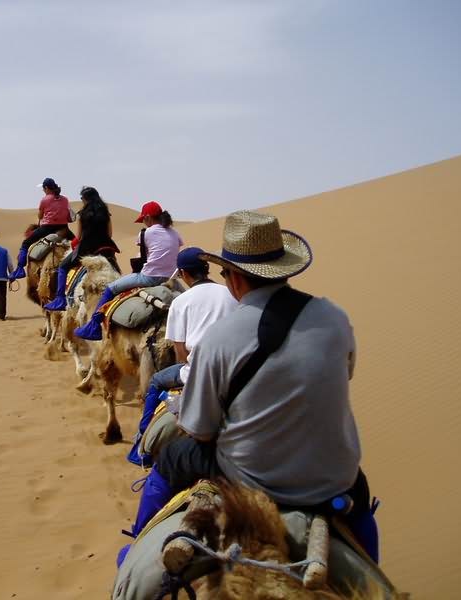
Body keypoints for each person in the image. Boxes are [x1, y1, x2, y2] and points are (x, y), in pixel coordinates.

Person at [123, 210, 379, 564]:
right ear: (285, 269)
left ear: (234, 278)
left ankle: (136, 548)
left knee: (169, 458)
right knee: (360, 495)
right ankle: (372, 567)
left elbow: (201, 431)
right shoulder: (335, 317)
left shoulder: (218, 340)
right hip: (333, 480)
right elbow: (342, 376)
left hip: (252, 478)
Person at [126, 246, 237, 466]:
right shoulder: (231, 294)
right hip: (234, 369)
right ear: (206, 269)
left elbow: (180, 352)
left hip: (198, 372)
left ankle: (142, 441)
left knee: (156, 381)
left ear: (184, 273)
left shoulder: (180, 302)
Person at [74, 201, 182, 340]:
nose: (144, 223)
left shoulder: (146, 233)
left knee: (110, 289)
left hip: (149, 278)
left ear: (148, 217)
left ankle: (93, 327)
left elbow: (143, 256)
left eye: (143, 220)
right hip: (171, 278)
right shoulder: (174, 233)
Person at [43, 186, 120, 311]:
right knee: (114, 268)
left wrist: (73, 244)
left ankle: (60, 299)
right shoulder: (105, 213)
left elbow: (78, 237)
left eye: (82, 198)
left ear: (85, 199)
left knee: (62, 267)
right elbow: (110, 234)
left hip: (87, 249)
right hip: (105, 248)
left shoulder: (82, 215)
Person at [9, 177, 75, 280]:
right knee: (77, 244)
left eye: (43, 188)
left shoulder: (45, 200)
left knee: (25, 243)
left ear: (47, 188)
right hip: (64, 229)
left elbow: (40, 216)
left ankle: (20, 269)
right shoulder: (65, 199)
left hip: (47, 228)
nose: (43, 190)